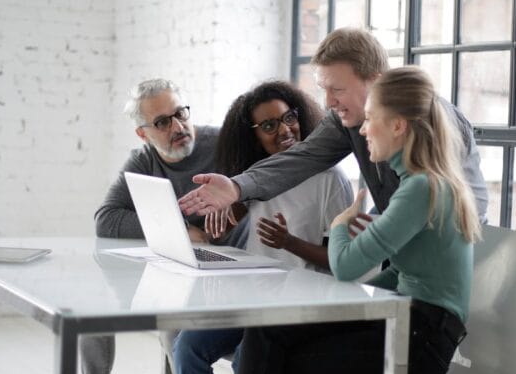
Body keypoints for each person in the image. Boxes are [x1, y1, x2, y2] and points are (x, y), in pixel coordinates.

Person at [237, 66, 482, 374]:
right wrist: (345, 304)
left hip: (422, 337)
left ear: (397, 126)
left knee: (294, 362)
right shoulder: (418, 184)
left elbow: (346, 267)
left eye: (369, 119)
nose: (363, 131)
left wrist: (340, 225)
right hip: (403, 315)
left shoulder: (422, 188)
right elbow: (404, 271)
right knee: (269, 330)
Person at [178, 27, 488, 226]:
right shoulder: (348, 120)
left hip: (452, 261)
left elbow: (464, 212)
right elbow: (302, 158)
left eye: (337, 90)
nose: (327, 103)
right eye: (323, 89)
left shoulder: (433, 120)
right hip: (402, 258)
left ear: (377, 80)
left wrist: (371, 232)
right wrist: (236, 186)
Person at [172, 81, 353, 374]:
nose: (284, 130)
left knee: (246, 358)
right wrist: (230, 213)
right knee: (186, 347)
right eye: (269, 125)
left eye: (289, 118)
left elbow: (340, 261)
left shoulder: (329, 179)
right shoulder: (250, 178)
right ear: (252, 136)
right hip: (250, 297)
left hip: (298, 302)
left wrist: (290, 243)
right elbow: (224, 235)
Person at [85, 78, 246, 374]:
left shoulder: (225, 143)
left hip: (228, 269)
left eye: (180, 114)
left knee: (173, 327)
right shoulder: (143, 161)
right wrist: (182, 230)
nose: (177, 127)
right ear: (143, 134)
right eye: (161, 122)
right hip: (176, 268)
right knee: (91, 307)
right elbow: (106, 219)